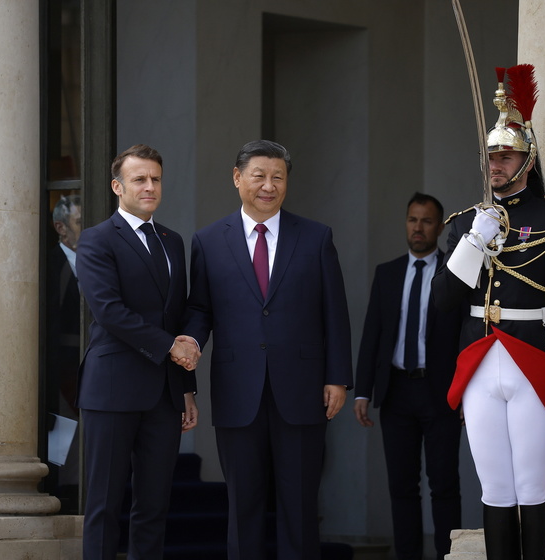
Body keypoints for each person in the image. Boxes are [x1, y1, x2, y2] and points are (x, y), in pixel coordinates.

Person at [432, 64, 545, 559]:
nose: (496, 165)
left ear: (528, 160)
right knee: (495, 488)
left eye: (506, 155)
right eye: (491, 156)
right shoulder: (467, 222)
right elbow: (443, 303)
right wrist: (473, 243)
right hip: (480, 361)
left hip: (533, 360)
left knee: (532, 486)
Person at [184, 139, 352, 559]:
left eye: (278, 177)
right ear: (237, 178)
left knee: (299, 506)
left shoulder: (315, 237)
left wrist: (337, 377)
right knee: (244, 507)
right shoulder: (207, 241)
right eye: (259, 175)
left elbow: (335, 313)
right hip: (237, 391)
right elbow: (199, 311)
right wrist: (185, 357)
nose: (268, 185)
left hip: (302, 390)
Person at [76, 144, 199, 560]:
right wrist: (171, 348)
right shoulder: (95, 240)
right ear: (118, 186)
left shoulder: (173, 241)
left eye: (156, 179)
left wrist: (185, 388)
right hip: (111, 390)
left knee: (153, 507)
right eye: (139, 179)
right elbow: (109, 312)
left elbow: (176, 316)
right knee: (104, 507)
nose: (150, 186)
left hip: (164, 395)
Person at [353, 192, 463, 559]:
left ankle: (449, 555)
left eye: (426, 221)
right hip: (396, 390)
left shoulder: (456, 274)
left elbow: (467, 338)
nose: (418, 227)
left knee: (444, 485)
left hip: (440, 392)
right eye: (412, 219)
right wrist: (362, 391)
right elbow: (373, 334)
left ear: (440, 226)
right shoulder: (387, 273)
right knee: (402, 486)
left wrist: (466, 393)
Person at [42, 194, 82, 504]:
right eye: (81, 223)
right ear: (60, 227)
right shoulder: (48, 268)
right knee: (60, 459)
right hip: (59, 377)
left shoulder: (101, 262)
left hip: (91, 373)